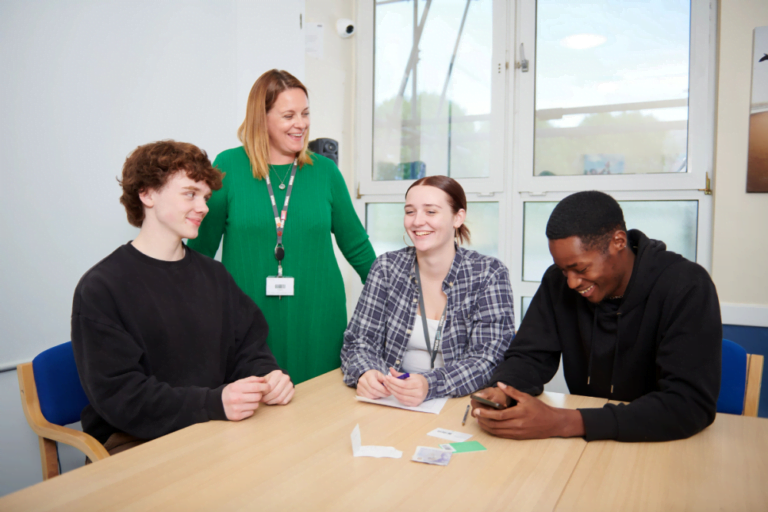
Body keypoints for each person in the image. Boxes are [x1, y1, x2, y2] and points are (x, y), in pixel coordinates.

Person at [72, 140, 293, 456]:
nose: (203, 207)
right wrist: (214, 402)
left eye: (205, 197)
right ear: (147, 194)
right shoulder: (102, 287)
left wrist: (267, 376)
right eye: (190, 194)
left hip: (212, 426)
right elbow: (122, 397)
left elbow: (249, 345)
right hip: (135, 441)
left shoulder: (214, 275)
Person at [471, 191, 721, 442]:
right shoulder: (557, 282)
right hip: (589, 442)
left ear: (618, 241)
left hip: (662, 443)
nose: (570, 282)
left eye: (580, 269)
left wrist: (565, 422)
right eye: (563, 269)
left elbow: (689, 403)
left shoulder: (687, 286)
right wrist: (503, 390)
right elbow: (530, 355)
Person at [188, 70, 375, 385]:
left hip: (319, 315)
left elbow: (356, 246)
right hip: (247, 316)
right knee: (257, 415)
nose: (300, 124)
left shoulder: (325, 172)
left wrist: (398, 300)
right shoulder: (228, 167)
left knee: (320, 412)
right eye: (288, 115)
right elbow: (201, 250)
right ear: (261, 118)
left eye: (305, 114)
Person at [341, 176, 515, 406]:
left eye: (431, 212)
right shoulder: (386, 268)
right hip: (392, 400)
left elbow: (489, 359)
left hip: (460, 403)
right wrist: (367, 372)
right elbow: (358, 342)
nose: (417, 221)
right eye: (410, 211)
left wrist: (429, 384)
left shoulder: (489, 273)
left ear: (458, 217)